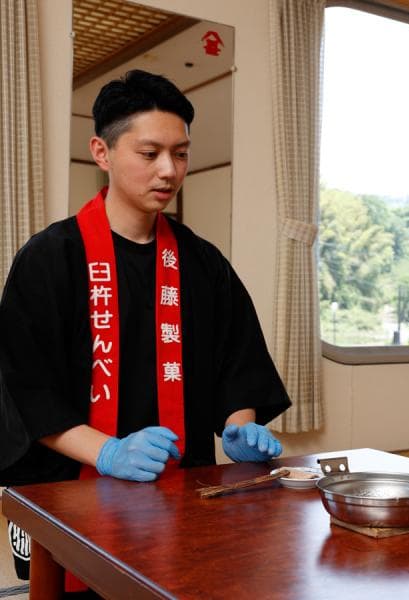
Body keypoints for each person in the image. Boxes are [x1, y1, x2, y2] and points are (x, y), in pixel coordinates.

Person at [0, 70, 291, 586]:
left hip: (183, 494)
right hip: (68, 489)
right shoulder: (48, 259)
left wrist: (240, 425)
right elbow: (27, 389)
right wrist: (108, 453)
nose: (168, 170)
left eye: (181, 154)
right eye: (149, 153)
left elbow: (237, 363)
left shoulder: (203, 262)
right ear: (102, 152)